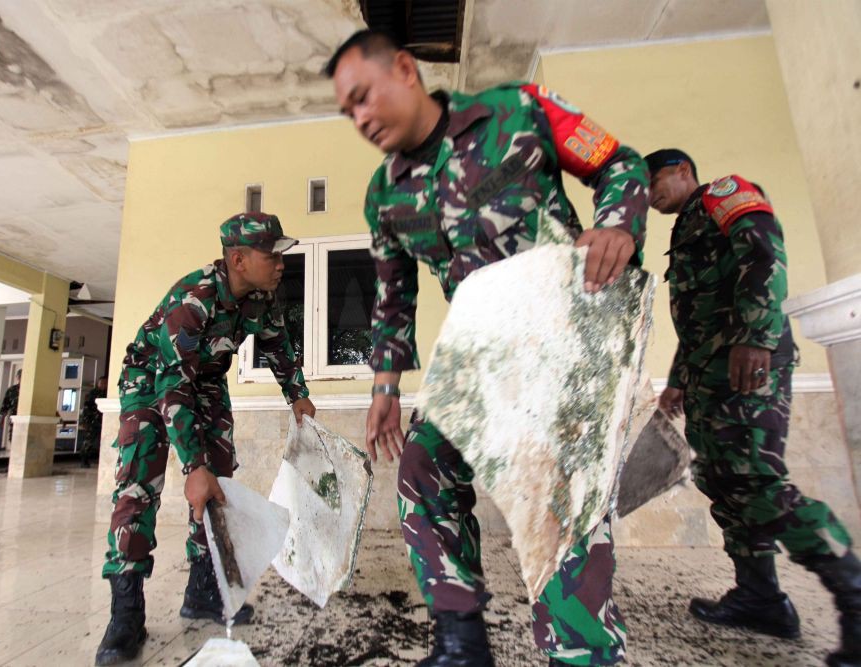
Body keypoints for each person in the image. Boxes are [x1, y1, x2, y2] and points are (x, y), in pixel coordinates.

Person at [326, 30, 649, 667]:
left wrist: (617, 223)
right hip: (482, 353)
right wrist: (385, 391)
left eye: (364, 97)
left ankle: (580, 653)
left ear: (404, 68)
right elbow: (394, 300)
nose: (359, 118)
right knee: (423, 462)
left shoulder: (519, 110)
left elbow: (619, 161)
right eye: (347, 111)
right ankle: (460, 640)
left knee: (563, 503)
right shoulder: (383, 194)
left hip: (560, 338)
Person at [646, 148, 860, 666]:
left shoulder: (724, 195)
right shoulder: (686, 227)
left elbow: (764, 254)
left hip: (748, 365)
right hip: (711, 371)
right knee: (722, 480)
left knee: (758, 480)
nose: (648, 197)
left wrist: (757, 338)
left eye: (652, 184)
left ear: (681, 171)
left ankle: (853, 597)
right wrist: (678, 380)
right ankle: (760, 597)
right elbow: (699, 316)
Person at [95, 212, 316, 666]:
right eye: (271, 254)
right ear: (238, 259)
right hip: (151, 380)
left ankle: (202, 590)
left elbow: (277, 345)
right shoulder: (193, 300)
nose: (280, 264)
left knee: (219, 480)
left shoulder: (260, 297)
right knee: (139, 483)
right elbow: (172, 388)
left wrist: (298, 396)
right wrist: (192, 465)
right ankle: (125, 612)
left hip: (207, 380)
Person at [79, 376, 107, 468]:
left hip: (102, 421)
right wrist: (85, 422)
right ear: (98, 383)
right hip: (91, 422)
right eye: (102, 383)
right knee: (88, 442)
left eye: (105, 383)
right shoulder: (92, 394)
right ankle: (84, 460)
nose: (103, 385)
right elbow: (86, 409)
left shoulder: (106, 393)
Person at [0, 369, 20, 448]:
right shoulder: (12, 390)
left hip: (25, 419)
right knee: (13, 438)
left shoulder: (29, 389)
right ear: (17, 377)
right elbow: (5, 404)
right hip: (14, 418)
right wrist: (2, 418)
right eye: (20, 376)